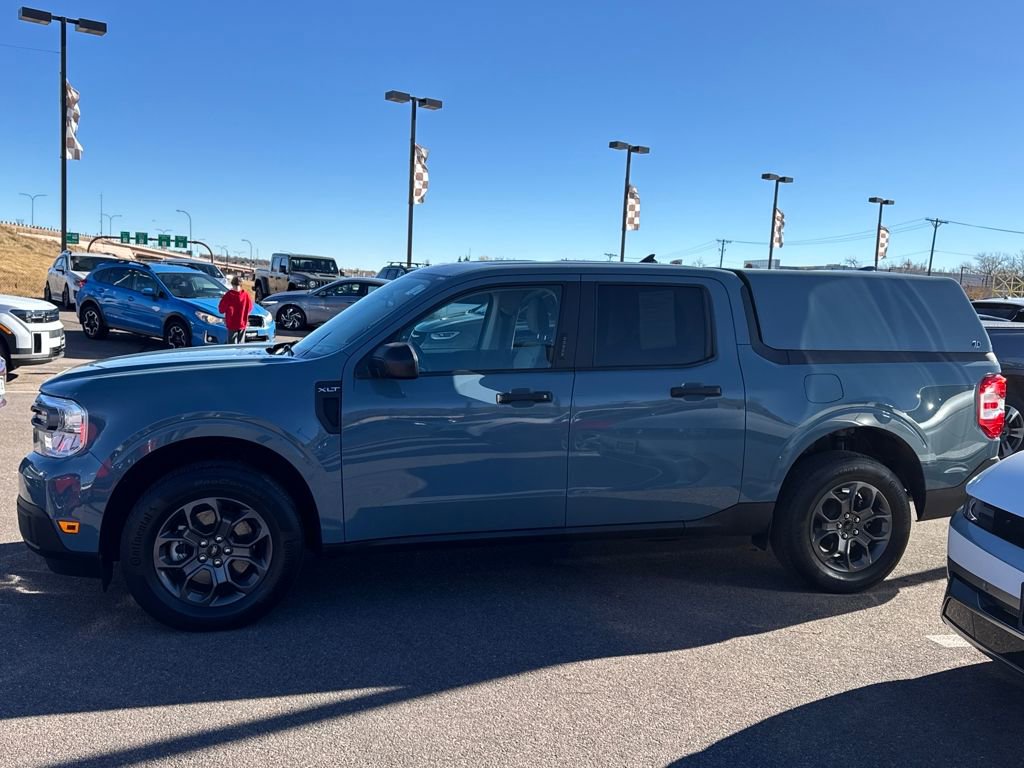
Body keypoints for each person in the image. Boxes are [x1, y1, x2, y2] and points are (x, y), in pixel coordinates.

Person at [218, 276, 254, 344]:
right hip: (242, 323)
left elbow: (221, 309)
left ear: (232, 284)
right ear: (241, 285)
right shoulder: (246, 295)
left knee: (231, 345)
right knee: (241, 345)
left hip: (232, 323)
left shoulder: (229, 295)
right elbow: (250, 308)